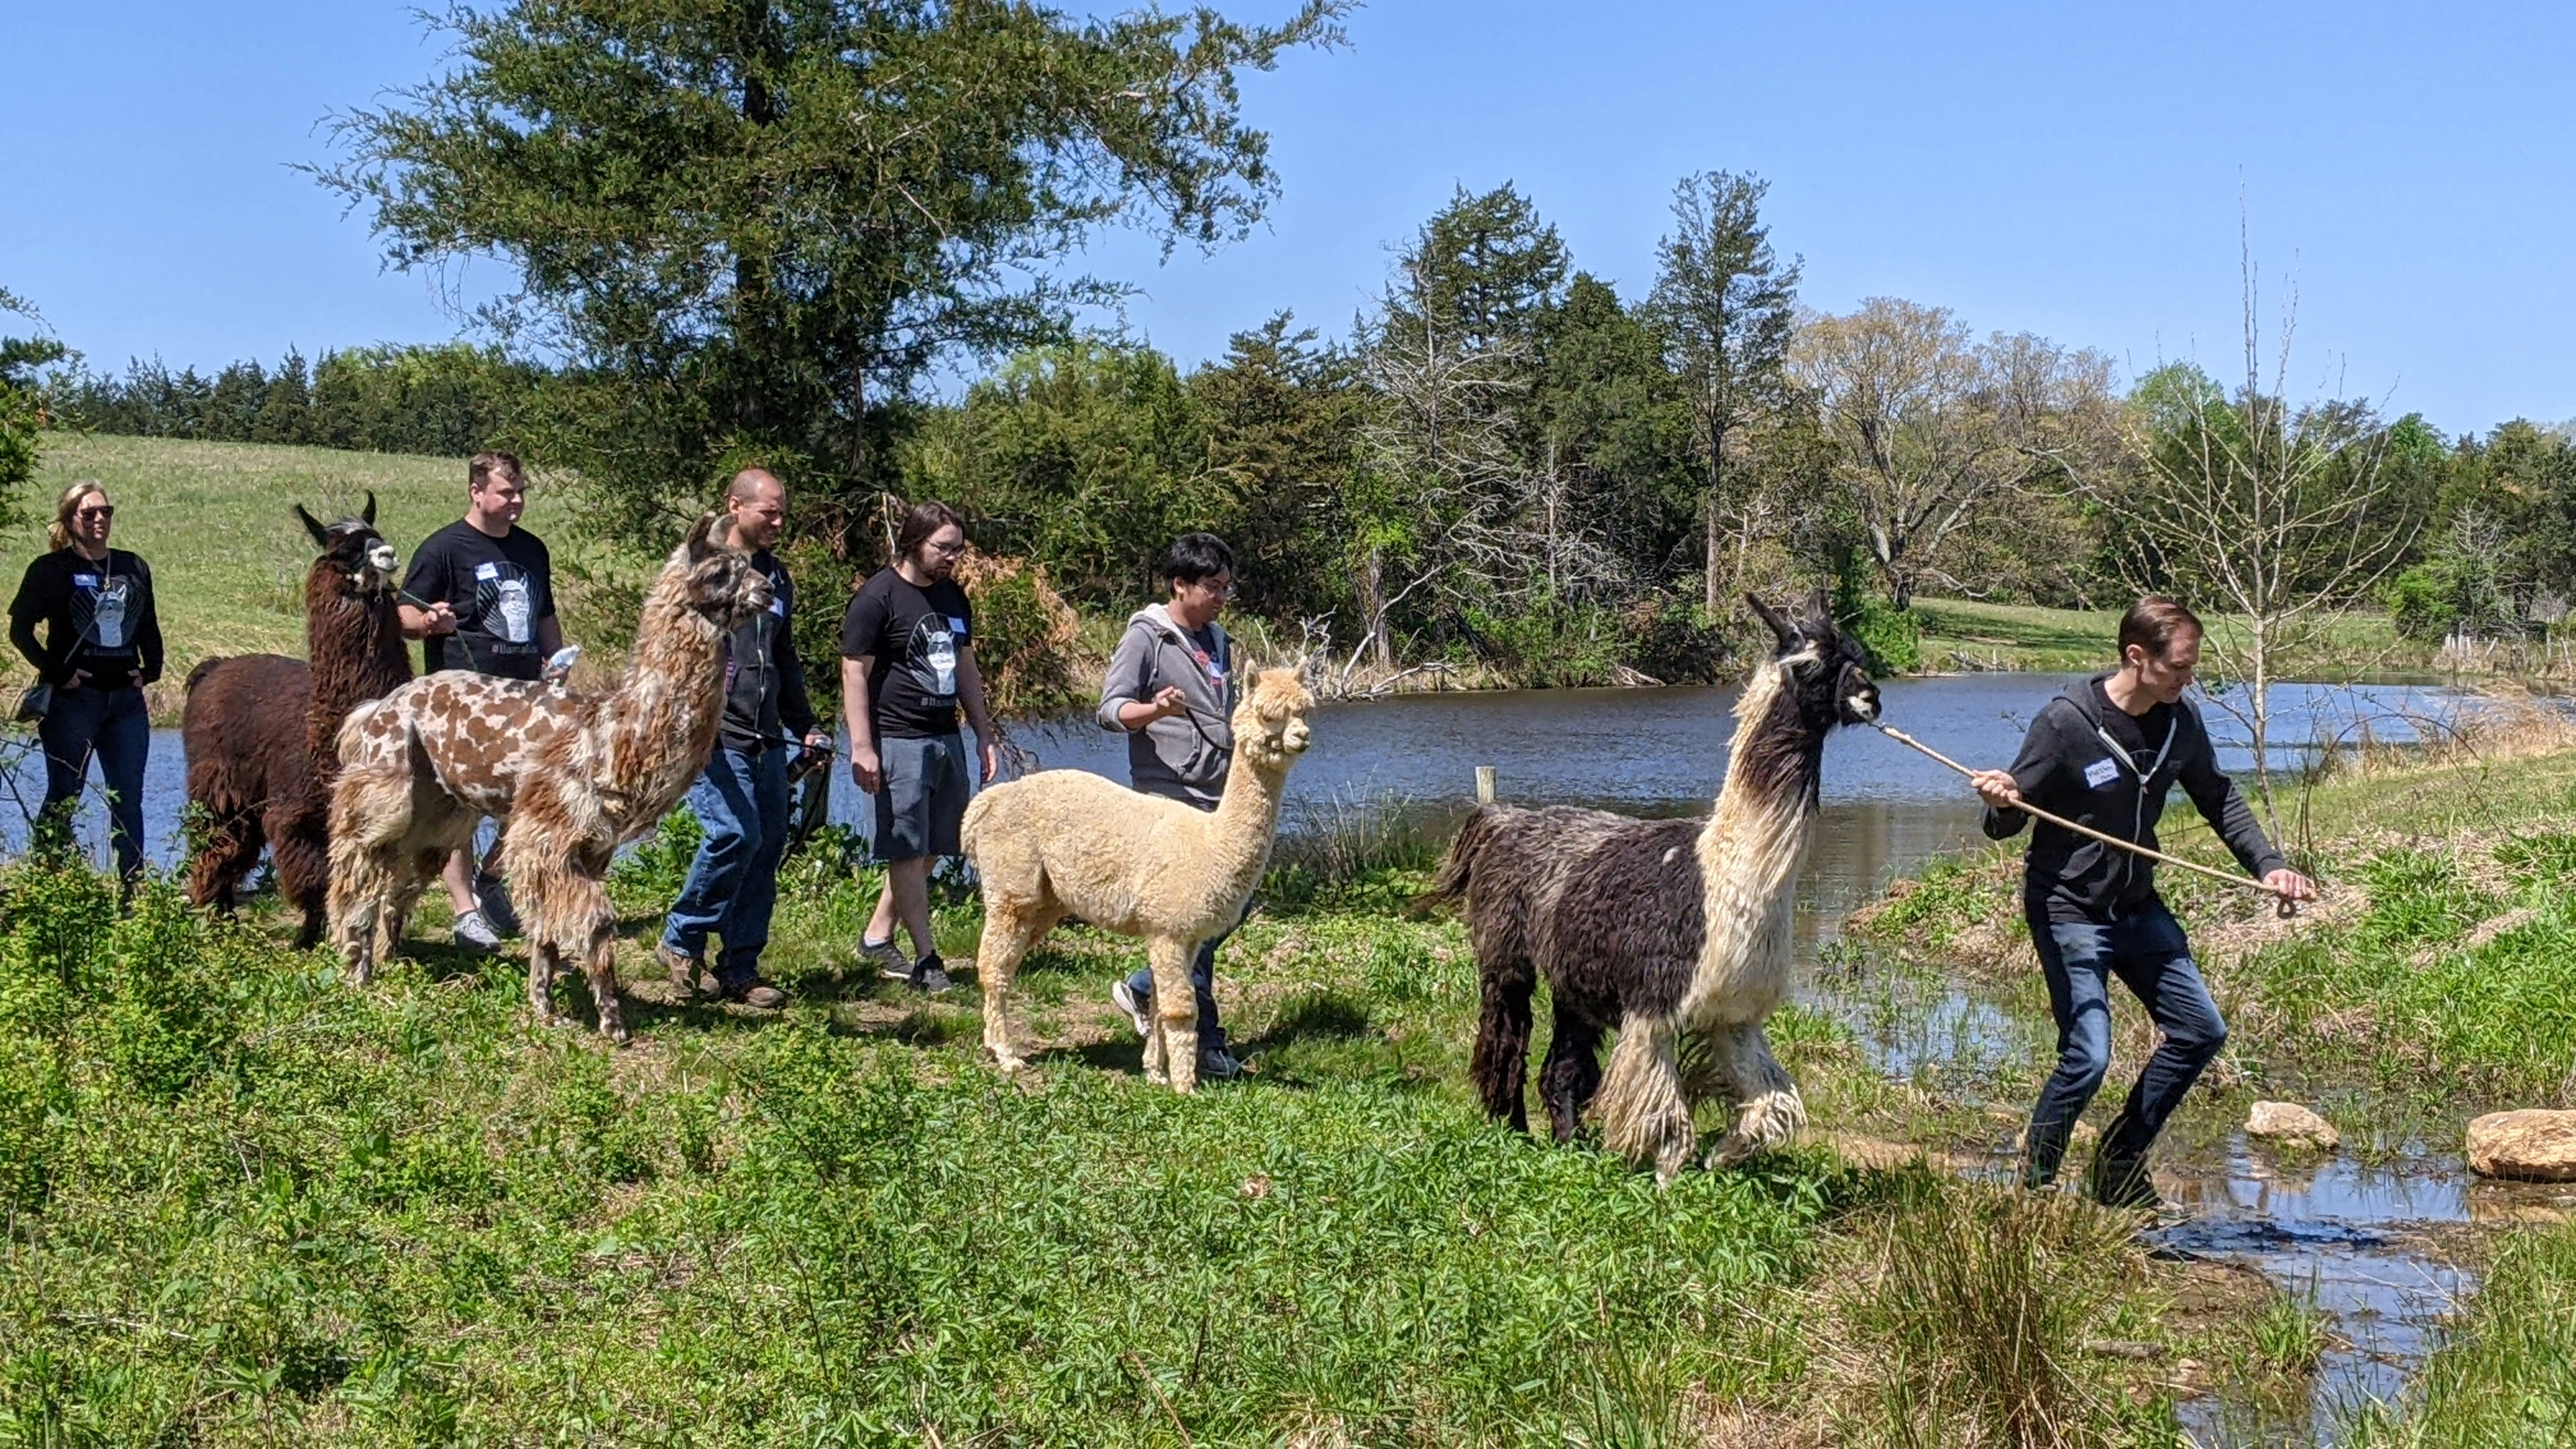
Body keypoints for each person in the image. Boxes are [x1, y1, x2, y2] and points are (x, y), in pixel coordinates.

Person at [1970, 596, 2313, 1208]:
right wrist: (2000, 801)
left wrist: (2272, 866)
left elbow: (2218, 797)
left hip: (2137, 907)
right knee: (2088, 1056)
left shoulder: (2181, 721)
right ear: (2137, 656)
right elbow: (2007, 820)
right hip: (2069, 909)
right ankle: (2035, 1189)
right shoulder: (2067, 723)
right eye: (2180, 667)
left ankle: (2118, 1164)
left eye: (2192, 667)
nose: (2189, 679)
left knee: (2200, 1031)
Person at [655, 470, 830, 1010]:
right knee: (734, 834)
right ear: (735, 506)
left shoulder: (777, 578)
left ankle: (740, 970)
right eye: (768, 513)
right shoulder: (703, 570)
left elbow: (784, 658)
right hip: (713, 733)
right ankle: (681, 941)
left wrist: (806, 725)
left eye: (783, 513)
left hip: (767, 736)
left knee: (765, 847)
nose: (779, 523)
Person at [396, 451, 561, 951]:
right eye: (506, 493)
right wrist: (428, 624)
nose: (516, 502)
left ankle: (495, 879)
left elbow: (545, 615)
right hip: (463, 703)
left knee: (535, 797)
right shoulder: (444, 548)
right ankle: (465, 911)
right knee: (459, 809)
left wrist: (557, 659)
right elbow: (402, 612)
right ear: (476, 492)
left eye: (520, 493)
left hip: (526, 696)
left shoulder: (532, 549)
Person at [1095, 533, 1246, 1080]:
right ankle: (1204, 1043)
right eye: (1212, 587)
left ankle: (1144, 987)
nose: (1221, 597)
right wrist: (1153, 711)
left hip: (1218, 797)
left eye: (1227, 587)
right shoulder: (1148, 637)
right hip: (1167, 797)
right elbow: (1110, 711)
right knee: (1188, 923)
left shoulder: (1220, 641)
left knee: (1225, 913)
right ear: (1180, 585)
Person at [842, 500, 997, 994]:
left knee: (936, 846)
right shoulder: (877, 597)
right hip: (898, 738)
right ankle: (928, 960)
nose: (953, 559)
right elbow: (854, 673)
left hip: (944, 734)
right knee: (907, 850)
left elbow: (966, 669)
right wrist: (863, 746)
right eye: (943, 549)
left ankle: (877, 934)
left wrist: (984, 733)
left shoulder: (954, 597)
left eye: (958, 550)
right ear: (915, 542)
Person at [9, 480, 162, 883]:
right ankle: (47, 880)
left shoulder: (133, 566)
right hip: (74, 701)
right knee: (66, 792)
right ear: (69, 519)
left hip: (125, 703)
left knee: (128, 797)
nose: (99, 520)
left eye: (106, 512)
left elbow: (148, 625)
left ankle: (133, 888)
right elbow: (20, 630)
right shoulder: (50, 570)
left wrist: (151, 670)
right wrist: (58, 672)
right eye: (89, 513)